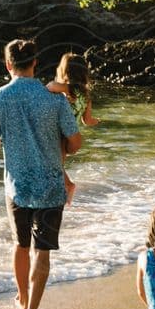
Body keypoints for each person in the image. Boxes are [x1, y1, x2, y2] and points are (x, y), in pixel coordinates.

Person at [0, 38, 82, 309]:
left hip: (17, 187)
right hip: (51, 187)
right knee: (43, 250)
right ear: (35, 63)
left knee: (20, 245)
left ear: (8, 64)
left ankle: (22, 296)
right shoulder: (55, 99)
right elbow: (74, 144)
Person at [46, 51, 99, 204]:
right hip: (72, 136)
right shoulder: (86, 95)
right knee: (57, 165)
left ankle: (67, 188)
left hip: (60, 134)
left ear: (64, 71)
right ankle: (66, 192)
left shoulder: (67, 89)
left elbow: (50, 86)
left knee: (55, 165)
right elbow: (86, 120)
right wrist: (96, 121)